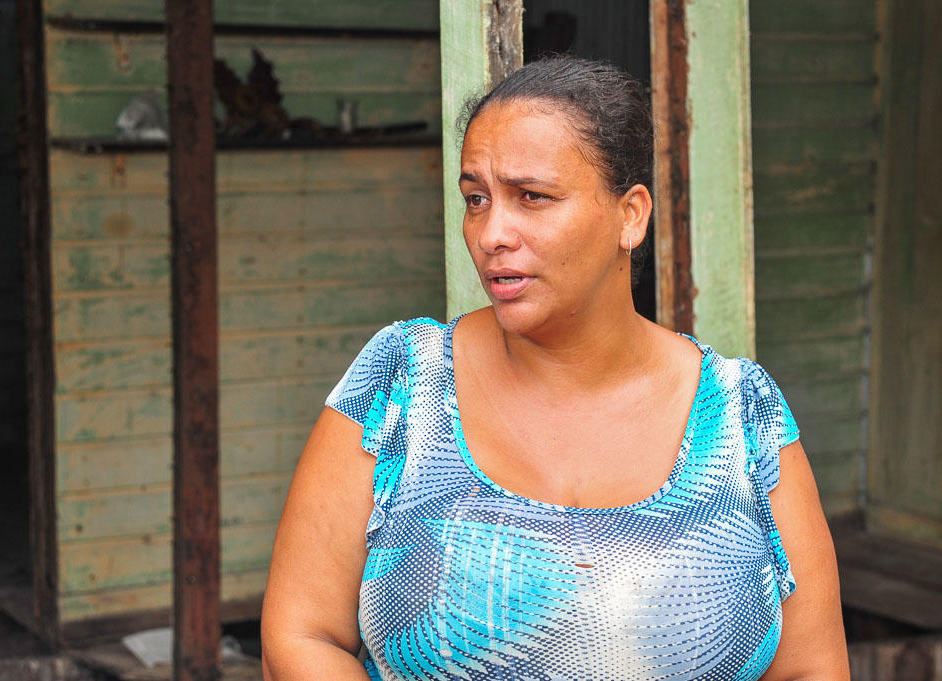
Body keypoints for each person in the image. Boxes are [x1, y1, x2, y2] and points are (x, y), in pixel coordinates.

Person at [261, 56, 849, 680]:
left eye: (532, 197)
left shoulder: (741, 416)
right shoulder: (401, 382)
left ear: (631, 215)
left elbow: (811, 669)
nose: (491, 233)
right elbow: (301, 636)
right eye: (477, 199)